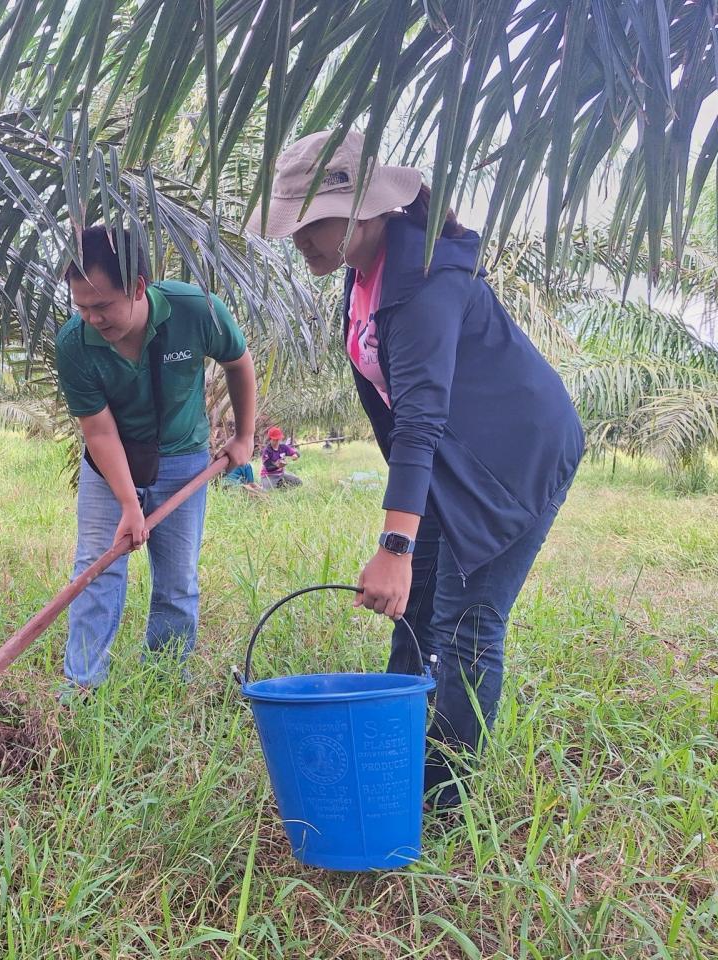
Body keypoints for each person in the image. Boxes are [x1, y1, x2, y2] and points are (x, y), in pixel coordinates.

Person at [247, 130, 584, 808]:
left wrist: (396, 544)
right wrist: (409, 540)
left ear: (366, 209)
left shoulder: (424, 280)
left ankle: (445, 802)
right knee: (418, 613)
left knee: (465, 624)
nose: (298, 238)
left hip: (511, 459)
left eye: (310, 222)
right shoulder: (365, 273)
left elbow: (421, 417)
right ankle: (398, 754)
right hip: (451, 462)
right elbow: (401, 412)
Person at [56, 225, 257, 691]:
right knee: (96, 569)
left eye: (102, 305)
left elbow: (238, 362)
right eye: (81, 307)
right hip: (110, 465)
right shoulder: (74, 344)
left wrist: (244, 437)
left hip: (184, 460)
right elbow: (99, 429)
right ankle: (82, 687)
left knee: (177, 579)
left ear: (139, 287)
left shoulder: (195, 310)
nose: (92, 318)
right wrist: (129, 503)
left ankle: (163, 683)